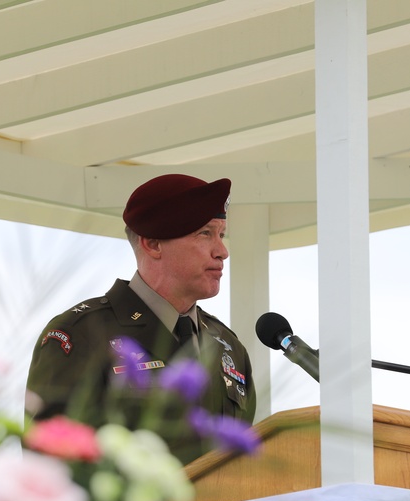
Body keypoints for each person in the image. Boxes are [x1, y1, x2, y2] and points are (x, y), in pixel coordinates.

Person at [25, 173, 257, 464]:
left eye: (221, 235)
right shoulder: (81, 334)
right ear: (153, 244)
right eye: (205, 234)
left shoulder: (228, 347)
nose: (222, 251)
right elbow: (49, 463)